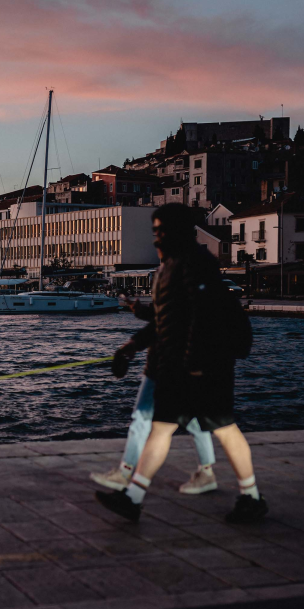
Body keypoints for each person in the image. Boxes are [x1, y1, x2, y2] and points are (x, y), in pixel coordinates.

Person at [95, 203, 266, 524]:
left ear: (178, 231)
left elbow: (202, 318)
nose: (156, 237)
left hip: (204, 368)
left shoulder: (196, 264)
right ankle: (133, 497)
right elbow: (166, 322)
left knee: (225, 430)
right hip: (178, 367)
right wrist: (132, 346)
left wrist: (193, 366)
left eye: (161, 231)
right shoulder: (168, 268)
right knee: (162, 428)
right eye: (154, 231)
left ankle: (252, 496)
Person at [90, 293, 218, 494]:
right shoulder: (180, 274)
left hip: (164, 365)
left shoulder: (174, 273)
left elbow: (166, 321)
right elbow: (166, 318)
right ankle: (207, 472)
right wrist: (140, 312)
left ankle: (126, 475)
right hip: (178, 364)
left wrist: (134, 343)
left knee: (143, 418)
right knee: (192, 419)